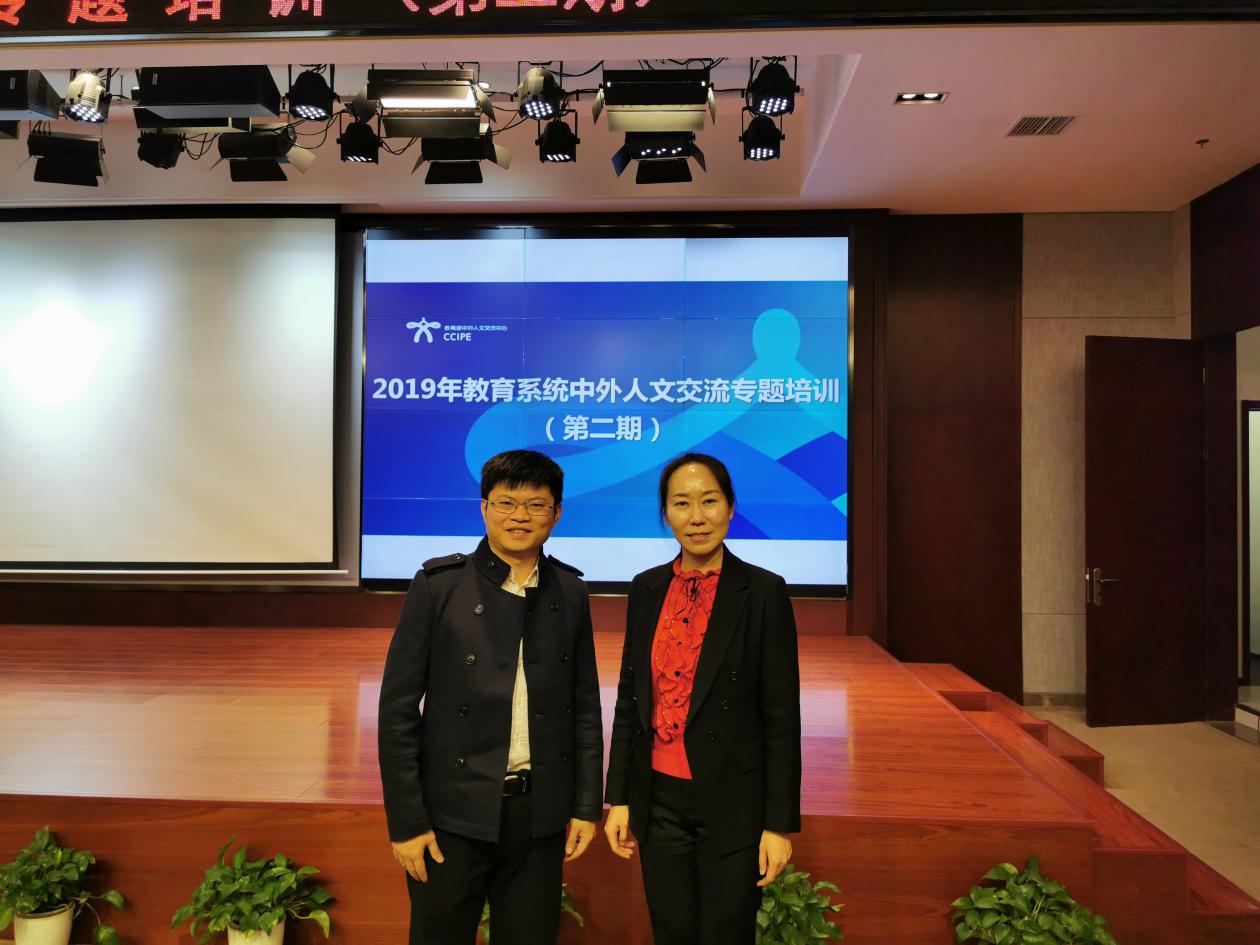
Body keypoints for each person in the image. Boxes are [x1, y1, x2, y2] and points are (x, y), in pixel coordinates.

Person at [378, 449, 603, 945]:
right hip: (451, 816)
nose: (520, 516)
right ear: (484, 508)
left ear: (556, 513)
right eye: (506, 502)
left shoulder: (570, 591)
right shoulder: (438, 587)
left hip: (538, 818)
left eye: (536, 505)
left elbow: (585, 707)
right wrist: (407, 823)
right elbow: (397, 712)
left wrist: (587, 807)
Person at [603, 452, 802, 945]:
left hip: (733, 800)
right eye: (681, 503)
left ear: (730, 508)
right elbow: (631, 700)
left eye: (709, 501)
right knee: (670, 930)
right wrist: (619, 797)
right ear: (665, 514)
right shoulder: (647, 588)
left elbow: (781, 717)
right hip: (659, 799)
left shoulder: (763, 592)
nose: (697, 517)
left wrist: (778, 826)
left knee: (726, 933)